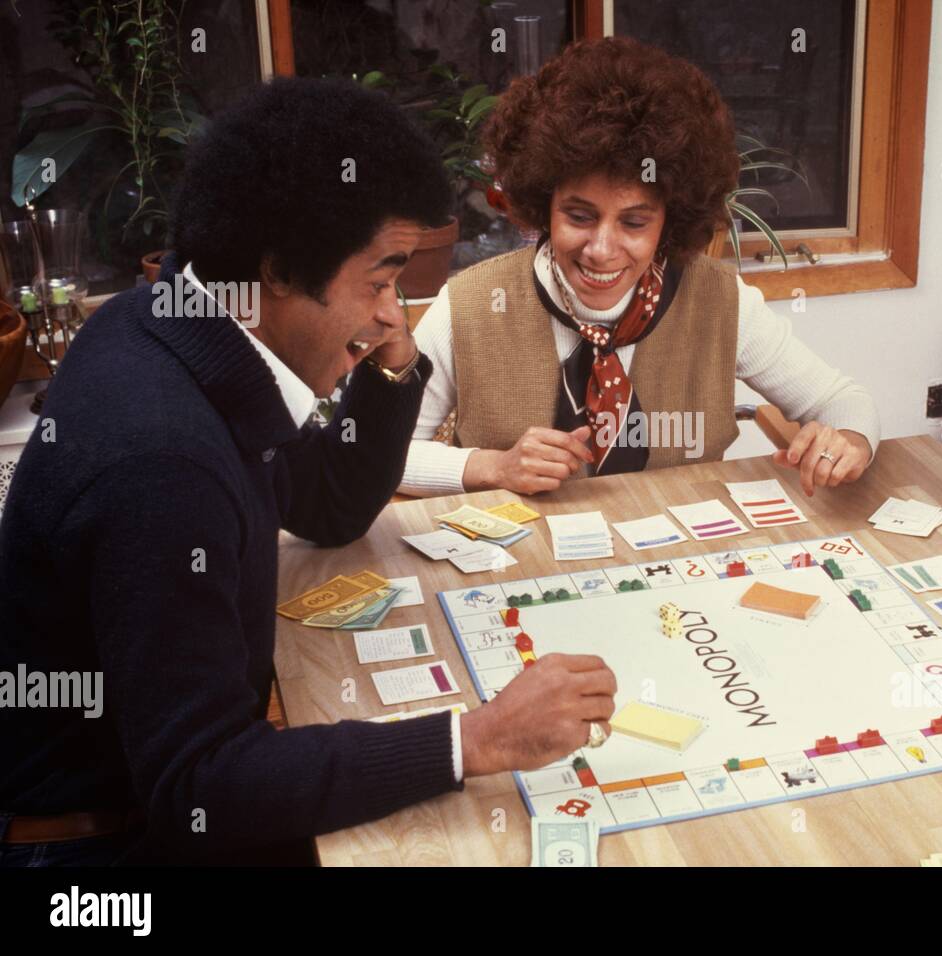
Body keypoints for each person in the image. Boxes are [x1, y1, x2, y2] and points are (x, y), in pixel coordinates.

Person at [0, 78, 615, 865]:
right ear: (280, 272)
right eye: (383, 277)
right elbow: (203, 786)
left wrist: (390, 365)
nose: (395, 310)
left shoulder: (172, 325)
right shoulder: (164, 465)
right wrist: (477, 739)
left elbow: (326, 507)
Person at [399, 36, 879, 500]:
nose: (602, 250)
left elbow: (844, 401)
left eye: (634, 222)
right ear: (543, 204)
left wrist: (848, 442)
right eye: (579, 216)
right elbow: (381, 454)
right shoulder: (471, 305)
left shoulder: (721, 303)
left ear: (671, 219)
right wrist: (492, 467)